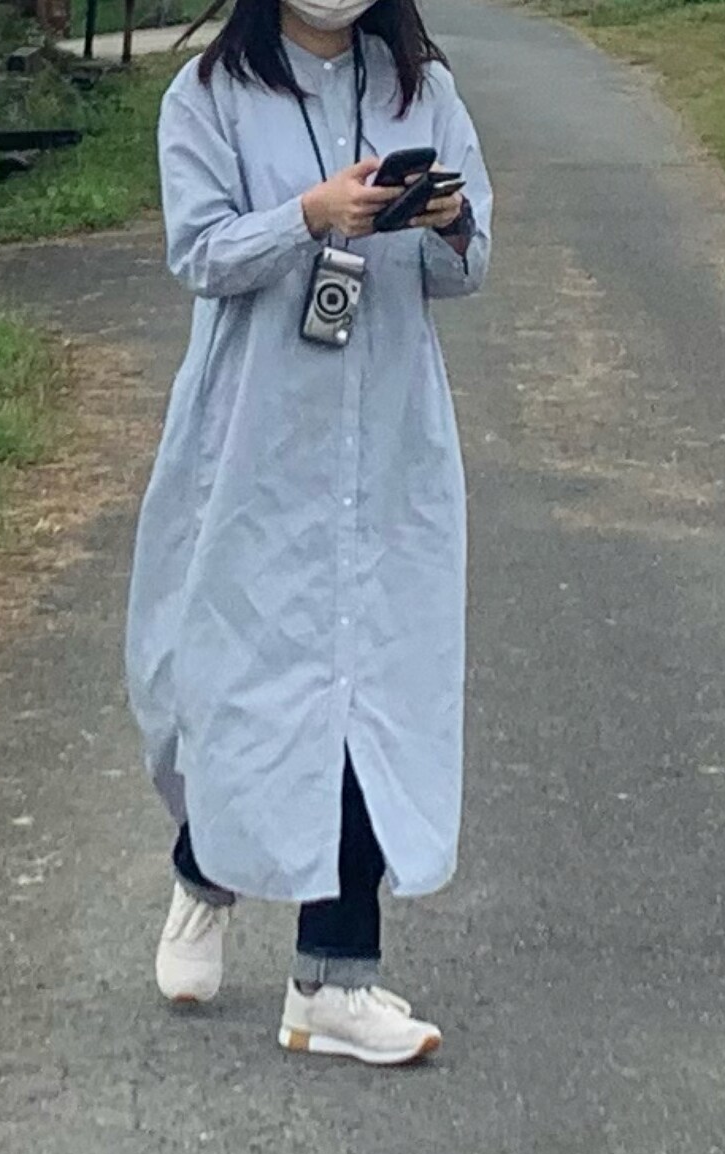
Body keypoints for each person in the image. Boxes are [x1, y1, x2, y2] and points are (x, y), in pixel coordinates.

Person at [125, 0, 492, 1065]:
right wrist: (309, 214)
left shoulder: (422, 90)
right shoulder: (207, 96)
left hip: (386, 439)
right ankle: (206, 868)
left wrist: (444, 222)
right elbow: (200, 252)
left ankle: (333, 979)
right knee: (244, 684)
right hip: (256, 441)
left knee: (369, 686)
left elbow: (469, 267)